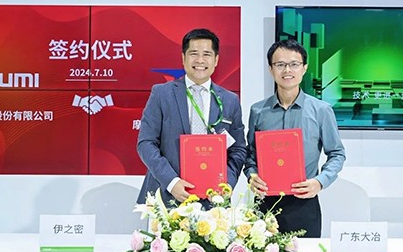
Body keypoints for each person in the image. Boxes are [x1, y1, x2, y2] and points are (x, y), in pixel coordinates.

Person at [244, 39, 346, 237]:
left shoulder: (321, 110)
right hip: (265, 202)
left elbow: (337, 154)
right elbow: (251, 154)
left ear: (304, 68)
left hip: (304, 203)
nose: (287, 70)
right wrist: (252, 175)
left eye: (294, 64)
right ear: (270, 69)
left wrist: (319, 182)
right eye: (280, 64)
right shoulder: (258, 111)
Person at [136, 28, 246, 205]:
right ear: (183, 58)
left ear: (216, 60)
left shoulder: (230, 100)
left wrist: (226, 184)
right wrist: (172, 182)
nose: (200, 60)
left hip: (213, 201)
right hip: (167, 196)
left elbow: (238, 149)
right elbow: (146, 143)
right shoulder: (162, 94)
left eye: (207, 54)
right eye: (193, 53)